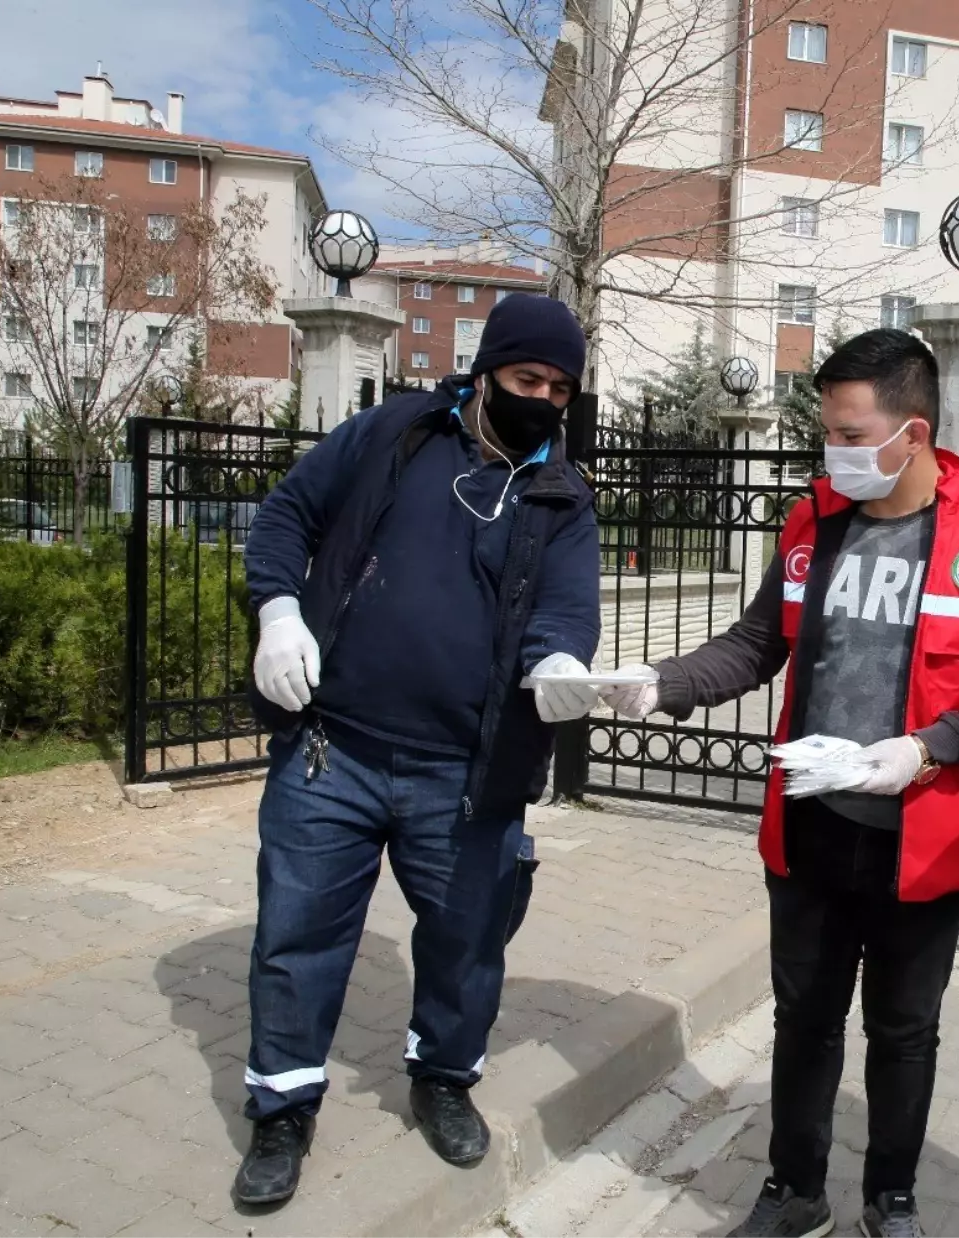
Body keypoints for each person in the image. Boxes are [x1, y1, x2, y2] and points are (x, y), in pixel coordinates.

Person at [601, 329, 959, 1238]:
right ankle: (793, 1188)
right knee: (803, 1020)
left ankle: (890, 1196)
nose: (834, 453)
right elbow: (755, 643)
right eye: (829, 433)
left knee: (903, 1031)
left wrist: (928, 748)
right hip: (814, 828)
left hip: (923, 839)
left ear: (914, 433)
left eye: (852, 436)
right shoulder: (814, 524)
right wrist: (664, 683)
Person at [236, 293, 602, 1207]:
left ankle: (443, 1078)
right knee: (297, 935)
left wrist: (559, 659)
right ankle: (282, 1106)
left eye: (561, 387)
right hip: (336, 751)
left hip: (466, 775)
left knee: (467, 942)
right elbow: (286, 518)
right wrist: (278, 612)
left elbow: (565, 607)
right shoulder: (393, 434)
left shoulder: (562, 491)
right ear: (485, 373)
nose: (544, 400)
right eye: (528, 380)